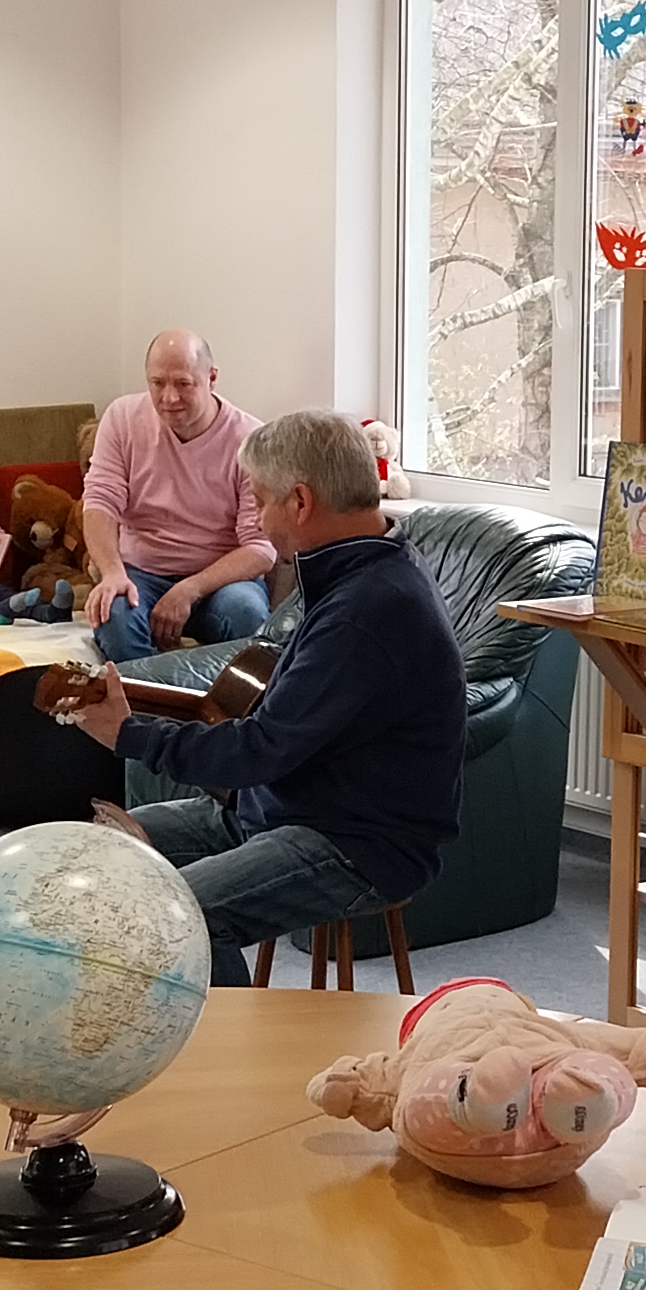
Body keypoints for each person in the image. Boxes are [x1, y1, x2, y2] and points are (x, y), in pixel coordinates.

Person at [61, 409, 463, 987]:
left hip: (356, 841)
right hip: (286, 807)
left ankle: (227, 1043)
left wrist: (131, 735)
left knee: (181, 919)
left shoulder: (368, 609)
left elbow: (261, 749)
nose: (259, 519)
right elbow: (277, 732)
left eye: (260, 501)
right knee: (99, 856)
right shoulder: (359, 568)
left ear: (299, 502)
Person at [81, 330, 279, 662]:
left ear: (211, 378)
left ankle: (215, 696)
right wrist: (112, 572)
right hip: (140, 573)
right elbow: (100, 502)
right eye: (157, 383)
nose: (169, 398)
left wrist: (189, 589)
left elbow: (261, 548)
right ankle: (145, 692)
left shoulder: (251, 439)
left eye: (183, 384)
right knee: (112, 616)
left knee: (247, 613)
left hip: (221, 582)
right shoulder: (122, 418)